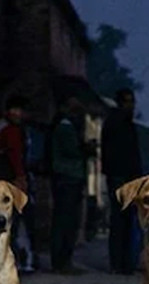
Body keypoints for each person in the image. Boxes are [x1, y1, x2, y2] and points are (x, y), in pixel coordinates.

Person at [0, 95, 36, 272]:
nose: (19, 114)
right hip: (7, 178)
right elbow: (15, 155)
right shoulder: (11, 130)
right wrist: (20, 177)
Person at [101, 88, 144, 274]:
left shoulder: (123, 123)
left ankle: (123, 262)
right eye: (127, 101)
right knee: (121, 221)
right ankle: (121, 263)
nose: (131, 105)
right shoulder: (117, 123)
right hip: (121, 177)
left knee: (124, 221)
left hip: (125, 177)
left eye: (132, 101)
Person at [49, 96, 90, 274]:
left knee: (65, 220)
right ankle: (62, 261)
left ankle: (63, 260)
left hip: (67, 176)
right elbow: (72, 150)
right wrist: (85, 147)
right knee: (66, 221)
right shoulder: (65, 126)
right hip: (68, 177)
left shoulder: (64, 124)